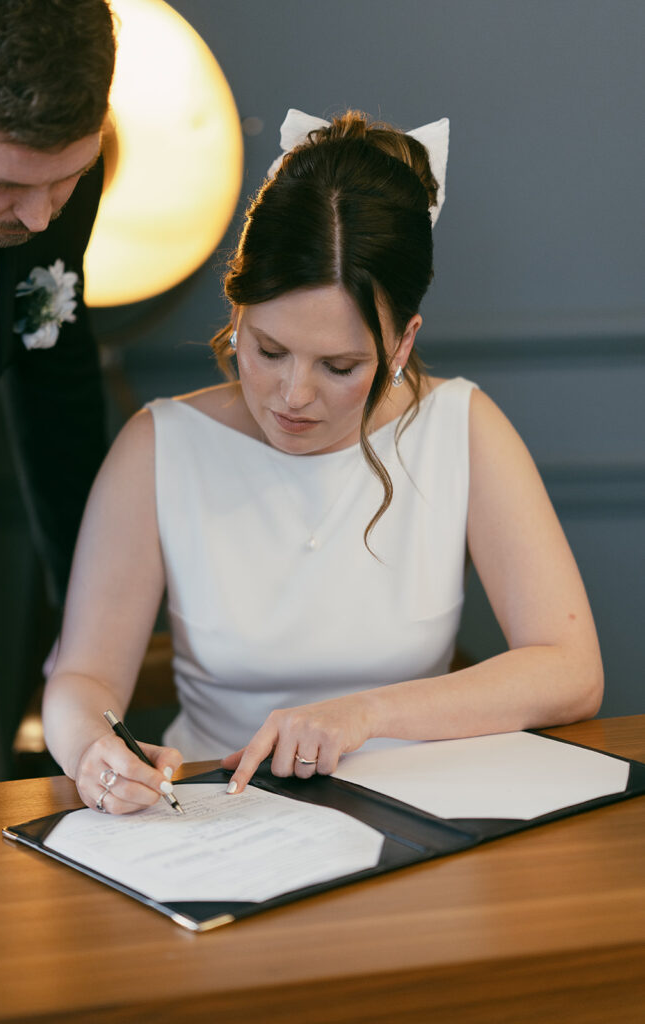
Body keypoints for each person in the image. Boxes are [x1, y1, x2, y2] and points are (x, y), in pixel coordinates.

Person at [42, 109, 603, 817]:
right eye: (268, 350)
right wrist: (93, 750)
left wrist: (366, 714)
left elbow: (570, 669)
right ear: (237, 311)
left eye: (338, 365)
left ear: (401, 345)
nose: (293, 395)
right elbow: (81, 677)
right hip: (223, 823)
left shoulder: (461, 427)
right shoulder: (158, 446)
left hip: (418, 818)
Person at [0, 0, 116, 827]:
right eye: (3, 181)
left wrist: (86, 623)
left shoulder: (56, 195)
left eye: (68, 176)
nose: (40, 218)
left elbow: (56, 392)